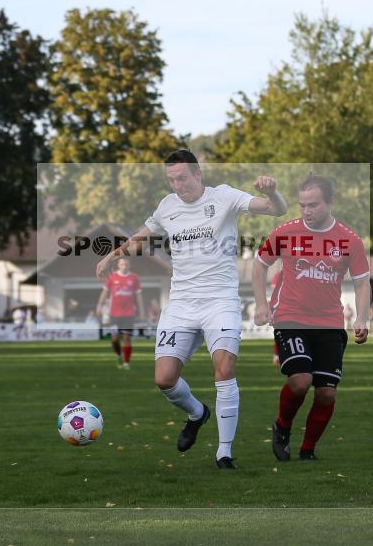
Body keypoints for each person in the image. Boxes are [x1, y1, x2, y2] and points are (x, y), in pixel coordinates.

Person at [95, 149, 287, 469]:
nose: (177, 185)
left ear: (198, 174)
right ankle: (197, 414)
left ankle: (224, 452)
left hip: (220, 301)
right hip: (181, 304)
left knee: (224, 368)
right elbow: (143, 235)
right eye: (171, 180)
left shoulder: (223, 196)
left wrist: (272, 192)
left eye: (182, 178)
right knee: (164, 379)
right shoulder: (167, 207)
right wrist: (112, 256)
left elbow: (273, 208)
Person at [252, 173, 370, 461]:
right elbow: (258, 265)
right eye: (302, 205)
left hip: (330, 322)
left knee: (326, 393)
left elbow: (362, 282)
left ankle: (308, 451)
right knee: (300, 381)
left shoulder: (349, 240)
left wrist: (362, 318)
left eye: (313, 205)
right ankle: (282, 426)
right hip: (290, 318)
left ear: (331, 202)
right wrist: (261, 304)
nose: (306, 211)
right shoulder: (285, 232)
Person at [96, 257, 144, 370]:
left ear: (129, 265)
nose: (124, 265)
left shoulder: (134, 278)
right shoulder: (112, 277)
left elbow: (138, 295)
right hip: (114, 314)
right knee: (114, 337)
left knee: (127, 337)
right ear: (118, 265)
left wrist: (141, 311)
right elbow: (105, 292)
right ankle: (119, 355)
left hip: (129, 313)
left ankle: (126, 362)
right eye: (122, 264)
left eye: (126, 264)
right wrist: (99, 305)